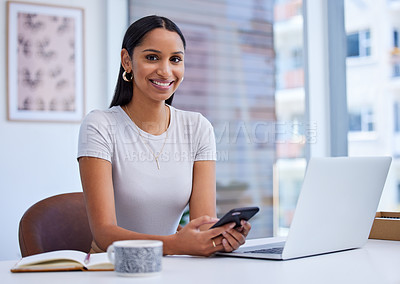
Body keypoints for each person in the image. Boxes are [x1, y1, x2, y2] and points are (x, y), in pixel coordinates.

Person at [77, 15, 252, 256]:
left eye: (175, 59)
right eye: (152, 57)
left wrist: (220, 236)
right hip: (111, 267)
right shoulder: (100, 125)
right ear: (127, 61)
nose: (165, 70)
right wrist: (175, 244)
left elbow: (201, 223)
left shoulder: (198, 127)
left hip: (171, 267)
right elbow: (105, 234)